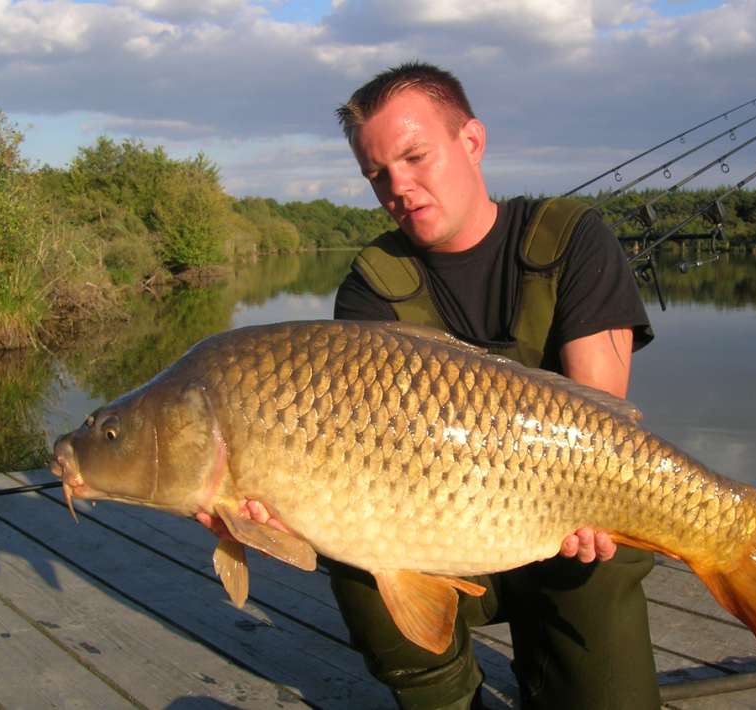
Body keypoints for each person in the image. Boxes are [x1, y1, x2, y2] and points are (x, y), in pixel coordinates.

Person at [201, 62, 659, 709]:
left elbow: (603, 424)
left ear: (470, 140)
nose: (399, 187)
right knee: (360, 560)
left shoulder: (573, 239)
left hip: (569, 538)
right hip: (441, 537)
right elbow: (343, 461)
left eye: (415, 157)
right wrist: (268, 507)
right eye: (377, 174)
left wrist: (595, 509)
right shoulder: (372, 284)